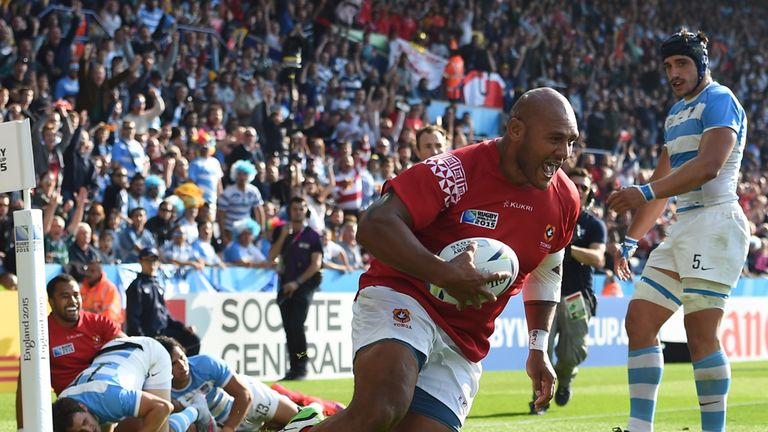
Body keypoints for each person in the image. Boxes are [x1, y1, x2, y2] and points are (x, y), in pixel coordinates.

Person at [280, 87, 580, 431]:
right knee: (382, 407)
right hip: (404, 296)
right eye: (555, 139)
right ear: (515, 130)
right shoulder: (455, 170)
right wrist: (445, 273)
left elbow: (547, 270)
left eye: (571, 141)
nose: (564, 153)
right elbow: (374, 225)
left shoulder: (565, 199)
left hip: (465, 338)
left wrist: (538, 347)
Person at [607, 29, 749, 432]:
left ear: (702, 64)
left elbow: (709, 167)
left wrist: (644, 191)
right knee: (639, 322)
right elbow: (662, 183)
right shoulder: (674, 114)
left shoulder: (720, 100)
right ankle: (639, 428)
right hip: (685, 224)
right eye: (668, 65)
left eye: (682, 63)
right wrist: (632, 238)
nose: (674, 72)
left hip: (717, 220)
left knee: (699, 334)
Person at [530, 167, 606, 414]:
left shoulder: (593, 224)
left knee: (573, 352)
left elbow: (598, 258)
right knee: (542, 347)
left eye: (584, 187)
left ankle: (565, 380)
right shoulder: (546, 214)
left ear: (589, 193)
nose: (579, 190)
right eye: (574, 184)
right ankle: (539, 398)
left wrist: (566, 248)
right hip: (544, 293)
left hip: (576, 296)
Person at [156, 336, 342, 432]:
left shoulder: (205, 363)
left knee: (309, 425)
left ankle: (328, 408)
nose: (182, 365)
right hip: (221, 424)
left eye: (182, 357)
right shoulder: (160, 389)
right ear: (163, 367)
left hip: (249, 403)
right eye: (173, 363)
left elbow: (244, 395)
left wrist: (229, 429)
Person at [16, 274, 126, 429]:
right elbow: (24, 386)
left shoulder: (99, 323)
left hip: (107, 398)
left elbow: (130, 352)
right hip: (72, 411)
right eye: (65, 296)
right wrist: (22, 428)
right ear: (51, 302)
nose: (73, 301)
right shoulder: (40, 334)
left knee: (141, 419)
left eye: (76, 295)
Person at [51, 336, 203, 432]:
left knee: (162, 429)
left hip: (151, 353)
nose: (88, 430)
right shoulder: (62, 406)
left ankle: (196, 409)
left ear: (83, 407)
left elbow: (163, 407)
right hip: (111, 350)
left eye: (85, 422)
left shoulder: (110, 398)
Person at [268, 196, 323, 381]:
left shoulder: (312, 235)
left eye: (301, 209)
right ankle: (294, 366)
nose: (298, 212)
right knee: (289, 329)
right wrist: (283, 235)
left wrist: (297, 283)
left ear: (305, 211)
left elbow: (316, 264)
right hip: (285, 287)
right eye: (294, 209)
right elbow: (271, 256)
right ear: (289, 211)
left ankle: (301, 363)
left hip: (303, 286)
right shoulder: (281, 232)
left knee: (296, 325)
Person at [125, 247, 201, 355]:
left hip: (164, 333)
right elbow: (133, 322)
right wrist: (142, 343)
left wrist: (183, 326)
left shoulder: (157, 285)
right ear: (140, 262)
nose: (151, 264)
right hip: (150, 338)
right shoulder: (136, 287)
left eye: (154, 260)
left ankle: (185, 370)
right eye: (148, 260)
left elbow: (166, 317)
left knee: (192, 340)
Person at [81, 256, 124, 326]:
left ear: (99, 272)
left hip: (108, 329)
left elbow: (110, 316)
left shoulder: (110, 288)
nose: (88, 274)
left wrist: (88, 313)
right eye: (87, 270)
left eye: (92, 271)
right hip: (87, 328)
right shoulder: (82, 288)